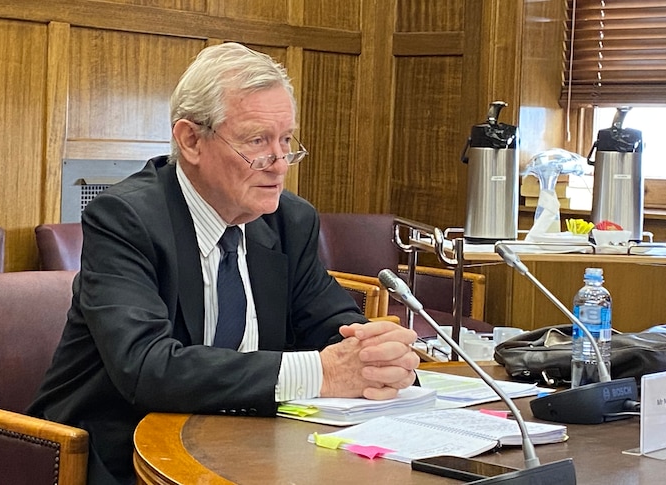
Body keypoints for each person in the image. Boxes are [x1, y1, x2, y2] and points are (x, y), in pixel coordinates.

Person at [28, 42, 419, 485]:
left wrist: (372, 352)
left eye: (286, 141)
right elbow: (146, 367)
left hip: (250, 443)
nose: (279, 164)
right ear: (191, 140)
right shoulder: (126, 219)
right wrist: (323, 371)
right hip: (119, 451)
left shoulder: (290, 220)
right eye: (257, 141)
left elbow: (330, 322)